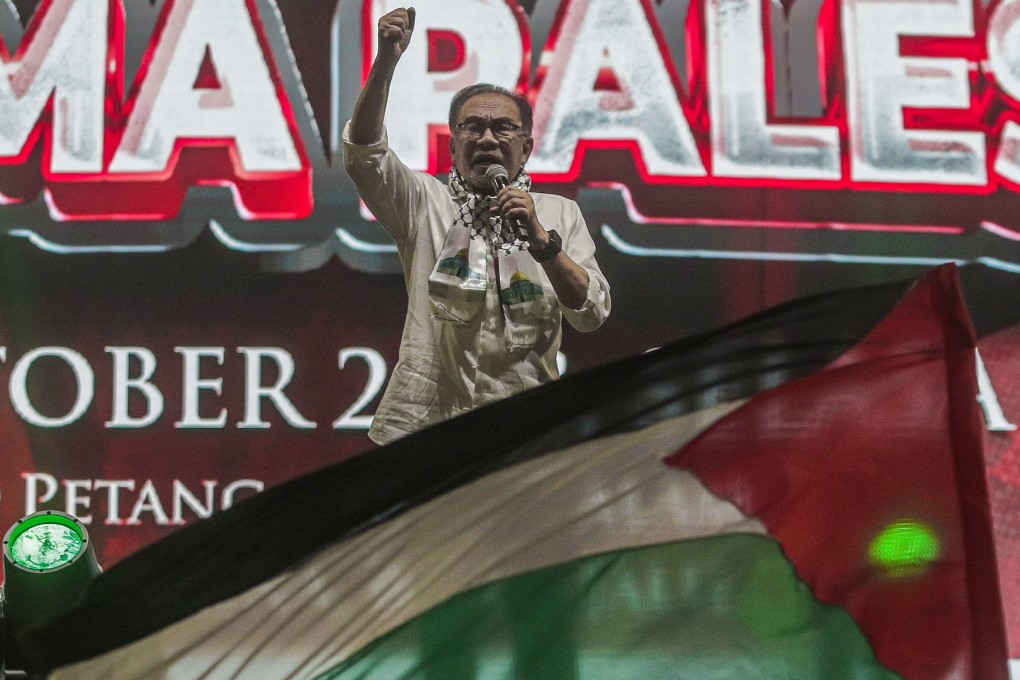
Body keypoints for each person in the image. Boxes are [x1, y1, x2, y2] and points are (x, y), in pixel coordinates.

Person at [344, 6, 611, 445]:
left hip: (523, 427)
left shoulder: (558, 214)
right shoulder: (425, 202)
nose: (487, 139)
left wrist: (543, 243)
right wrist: (387, 59)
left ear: (525, 148)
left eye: (503, 128)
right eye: (473, 128)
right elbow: (364, 153)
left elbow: (591, 314)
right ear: (454, 143)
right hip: (426, 425)